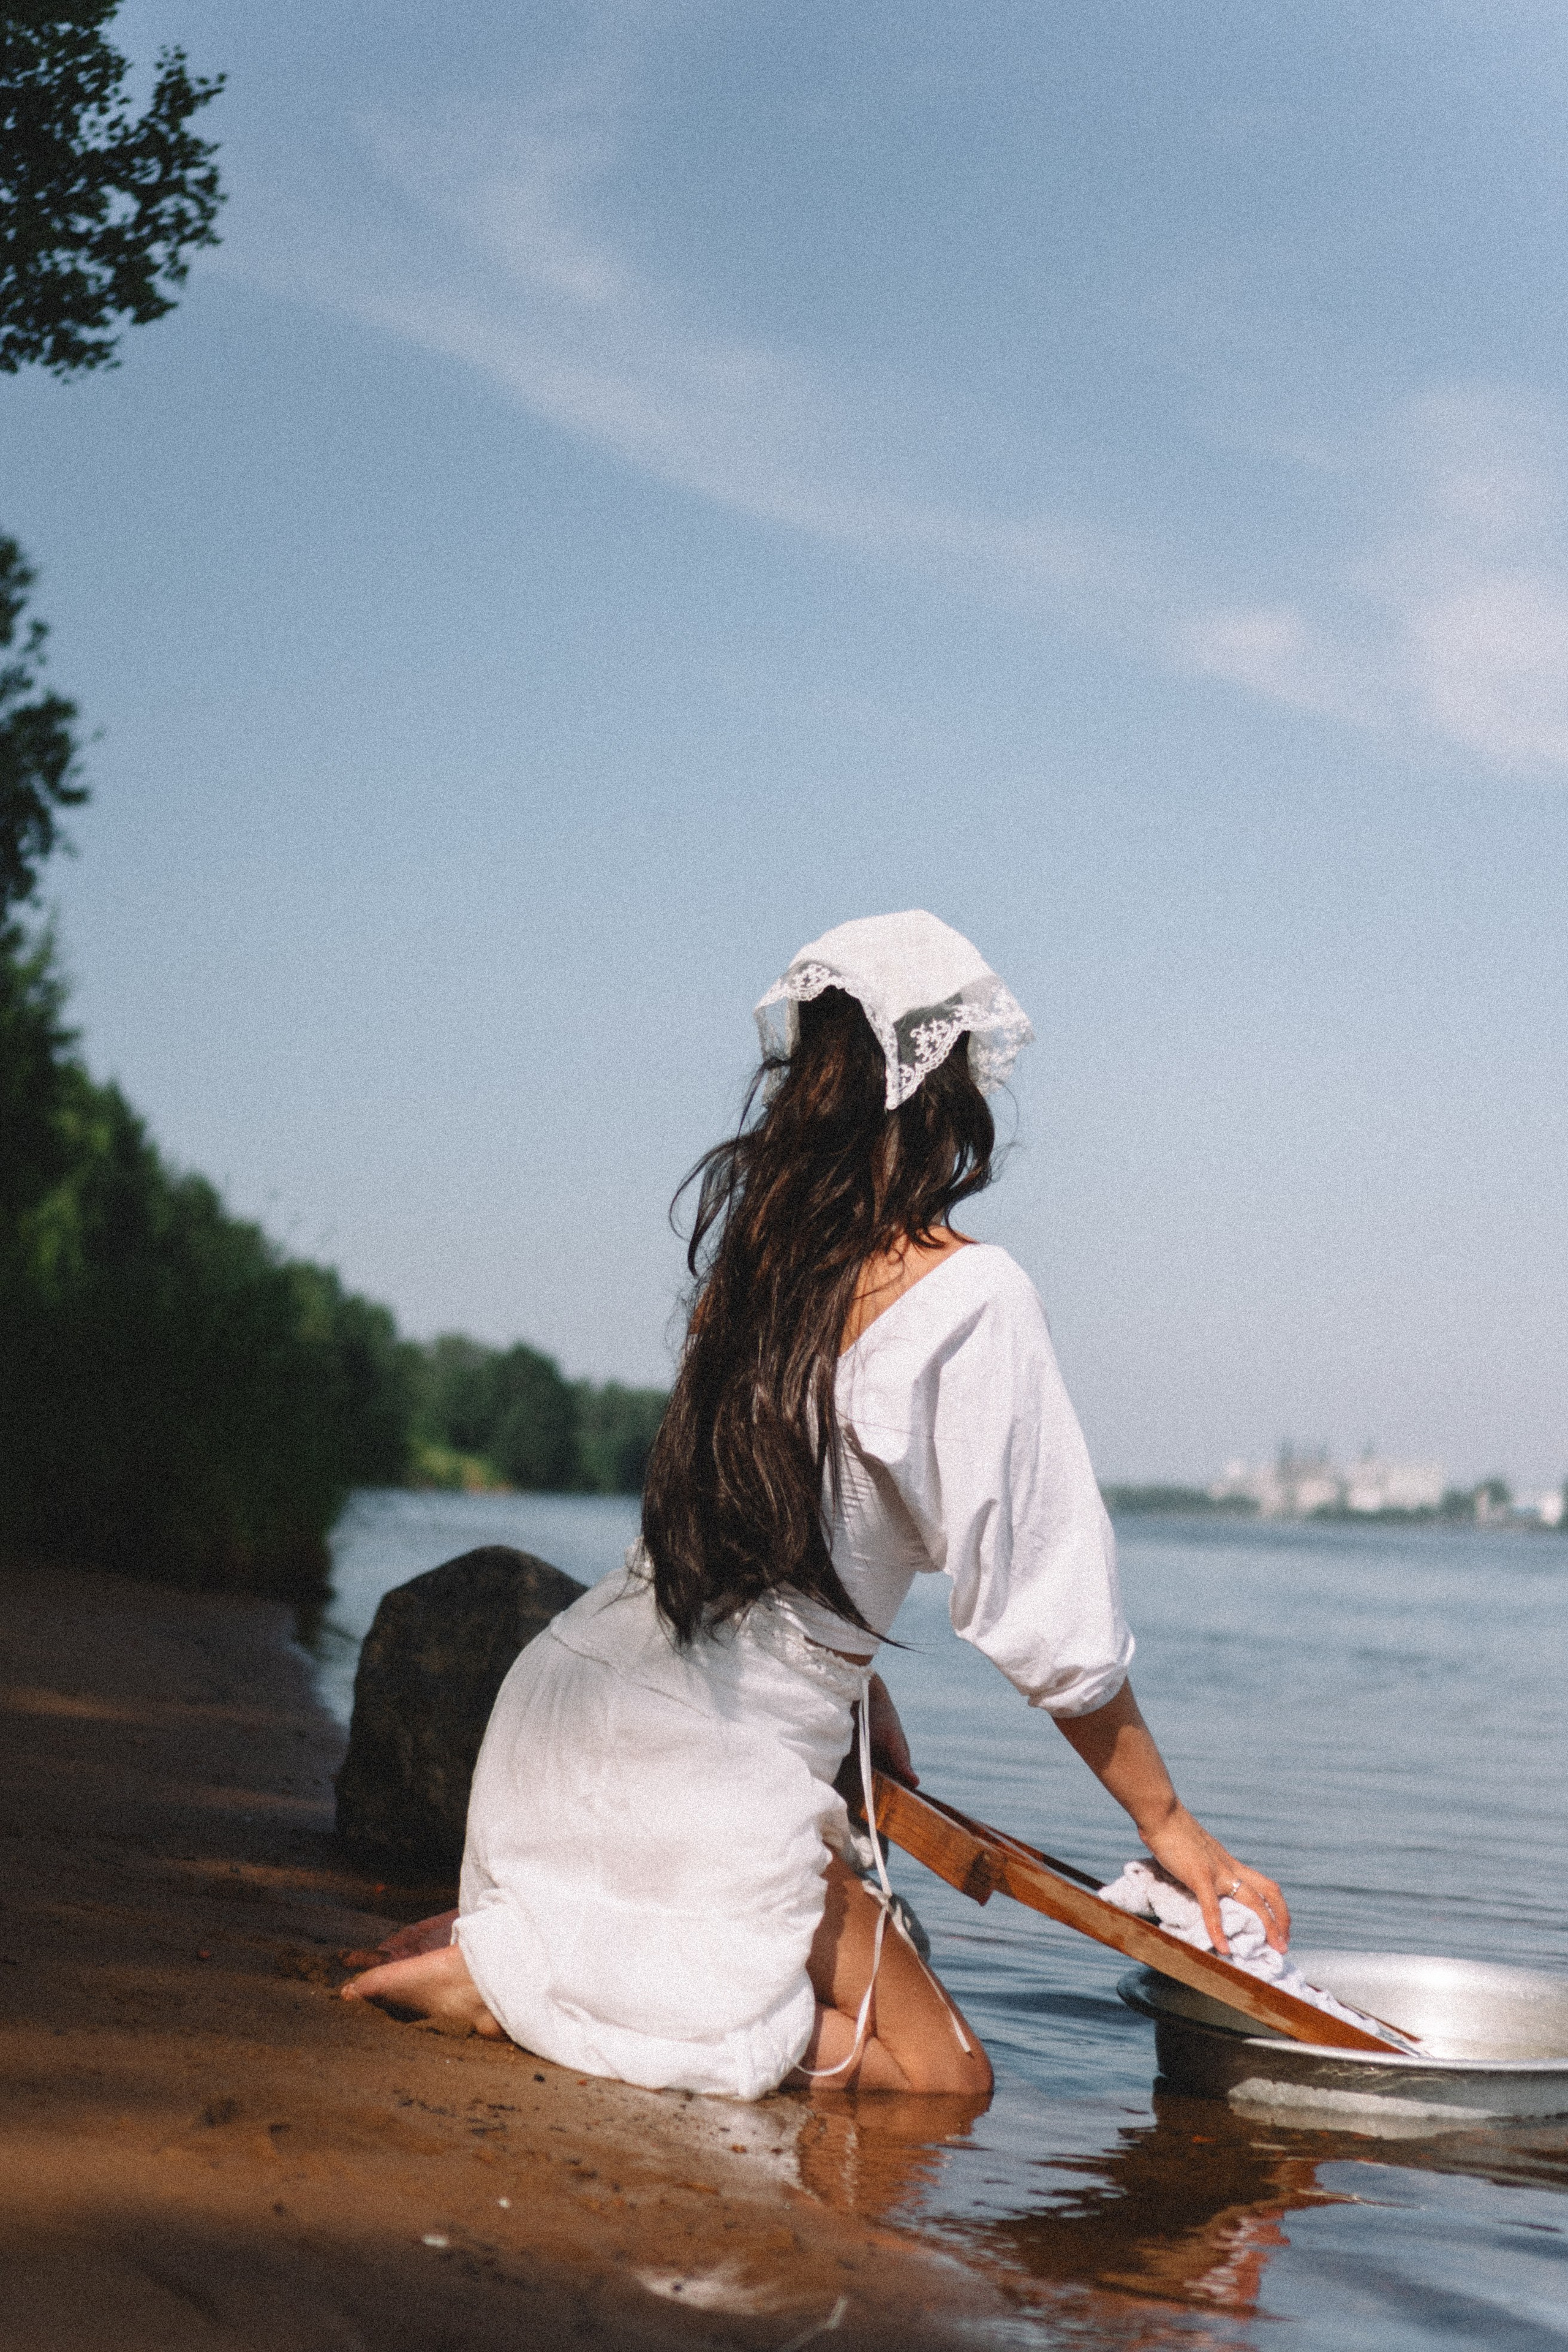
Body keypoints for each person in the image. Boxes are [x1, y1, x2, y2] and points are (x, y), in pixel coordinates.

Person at [344, 911, 1287, 2095]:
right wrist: (1173, 1831)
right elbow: (1049, 1622)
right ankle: (511, 1984)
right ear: (943, 1088)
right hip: (702, 1791)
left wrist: (853, 1681)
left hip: (556, 1725)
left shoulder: (758, 1276)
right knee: (946, 2085)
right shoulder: (971, 1295)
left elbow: (750, 1543)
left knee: (788, 2000)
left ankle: (539, 1960)